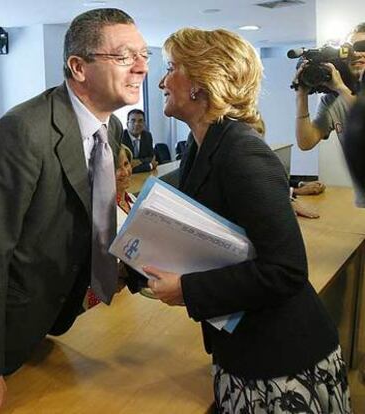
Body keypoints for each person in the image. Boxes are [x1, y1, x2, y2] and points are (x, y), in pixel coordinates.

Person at [0, 8, 148, 413]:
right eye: (125, 56)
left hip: (41, 323)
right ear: (78, 66)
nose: (142, 68)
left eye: (143, 55)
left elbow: (87, 221)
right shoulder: (21, 132)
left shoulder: (108, 127)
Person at [144, 27, 351, 413]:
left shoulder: (241, 153)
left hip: (281, 361)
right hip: (243, 349)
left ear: (201, 82)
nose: (160, 81)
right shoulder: (202, 145)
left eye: (171, 68)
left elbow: (286, 271)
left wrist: (188, 291)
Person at [294, 22, 365, 207]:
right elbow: (306, 142)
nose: (355, 53)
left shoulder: (340, 91)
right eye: (349, 49)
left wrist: (341, 88)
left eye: (362, 47)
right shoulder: (333, 99)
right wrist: (302, 95)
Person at [122, 109, 158, 173]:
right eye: (133, 121)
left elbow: (151, 157)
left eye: (140, 121)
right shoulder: (120, 137)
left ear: (144, 124)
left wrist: (139, 161)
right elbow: (124, 166)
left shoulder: (147, 136)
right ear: (127, 124)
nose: (136, 124)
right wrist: (150, 166)